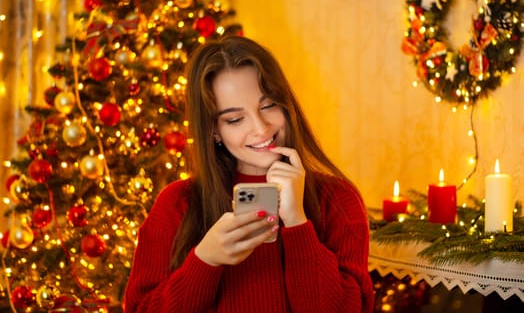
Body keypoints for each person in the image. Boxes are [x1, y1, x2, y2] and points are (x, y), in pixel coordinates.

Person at [124, 35, 374, 312]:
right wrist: (205, 260)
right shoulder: (176, 203)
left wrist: (297, 222)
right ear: (215, 130)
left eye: (268, 105)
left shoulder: (338, 199)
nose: (261, 127)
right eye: (234, 119)